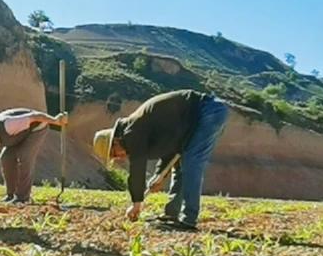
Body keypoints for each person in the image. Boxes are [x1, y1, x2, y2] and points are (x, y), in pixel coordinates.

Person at [92, 89, 229, 230]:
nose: (119, 157)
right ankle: (172, 214)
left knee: (192, 162)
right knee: (180, 167)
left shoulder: (132, 131)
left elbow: (137, 169)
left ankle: (189, 220)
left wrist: (136, 204)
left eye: (114, 154)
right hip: (199, 119)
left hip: (207, 111)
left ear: (115, 141)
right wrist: (159, 176)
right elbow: (169, 150)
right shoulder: (134, 129)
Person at [0, 108, 68, 203]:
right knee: (5, 158)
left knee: (24, 156)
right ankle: (10, 195)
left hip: (36, 128)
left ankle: (22, 198)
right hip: (18, 135)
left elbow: (34, 116)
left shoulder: (8, 125)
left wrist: (55, 121)